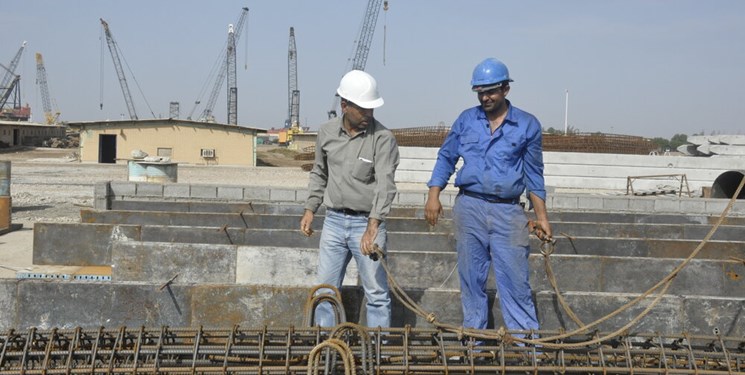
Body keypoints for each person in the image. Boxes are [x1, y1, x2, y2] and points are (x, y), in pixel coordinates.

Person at [424, 57, 552, 333]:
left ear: (506, 89)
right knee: (471, 279)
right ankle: (474, 343)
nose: (485, 97)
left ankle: (527, 346)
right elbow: (446, 157)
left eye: (491, 91)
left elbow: (534, 175)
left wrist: (541, 217)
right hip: (469, 207)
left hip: (508, 211)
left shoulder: (527, 125)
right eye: (480, 92)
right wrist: (433, 195)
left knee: (516, 282)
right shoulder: (466, 120)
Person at [300, 70, 400, 328]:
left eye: (371, 109)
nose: (369, 114)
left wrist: (373, 226)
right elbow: (319, 172)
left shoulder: (382, 139)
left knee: (376, 293)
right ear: (344, 105)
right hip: (333, 222)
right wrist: (310, 209)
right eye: (363, 109)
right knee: (325, 291)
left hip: (366, 224)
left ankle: (378, 351)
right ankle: (327, 347)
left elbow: (385, 185)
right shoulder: (326, 132)